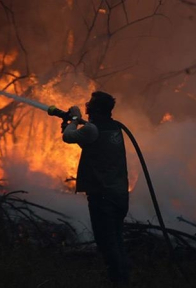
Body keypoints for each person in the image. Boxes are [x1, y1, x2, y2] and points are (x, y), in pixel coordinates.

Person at [62, 91, 130, 285]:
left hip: (102, 196)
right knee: (116, 241)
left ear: (96, 109)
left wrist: (74, 118)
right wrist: (76, 123)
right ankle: (123, 278)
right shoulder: (114, 128)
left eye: (90, 104)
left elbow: (68, 137)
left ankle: (118, 282)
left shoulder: (93, 129)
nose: (86, 106)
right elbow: (94, 145)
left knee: (107, 244)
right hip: (119, 195)